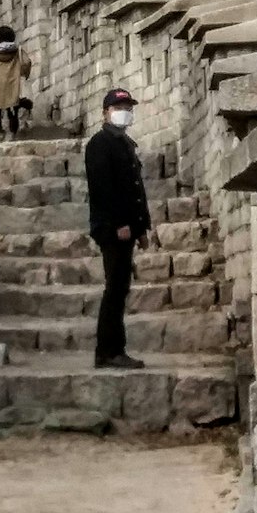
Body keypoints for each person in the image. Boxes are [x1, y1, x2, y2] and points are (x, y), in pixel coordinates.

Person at [84, 88, 151, 369]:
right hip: (112, 227)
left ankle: (112, 350)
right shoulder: (100, 144)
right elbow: (103, 189)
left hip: (126, 227)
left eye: (127, 106)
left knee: (120, 287)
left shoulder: (124, 143)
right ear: (105, 112)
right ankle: (109, 351)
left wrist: (142, 227)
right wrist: (120, 224)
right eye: (118, 106)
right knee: (115, 288)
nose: (124, 110)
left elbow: (135, 189)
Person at [0, 25, 32, 140]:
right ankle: (13, 133)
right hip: (12, 82)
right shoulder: (17, 50)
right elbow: (27, 62)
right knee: (12, 108)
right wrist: (24, 73)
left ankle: (0, 130)